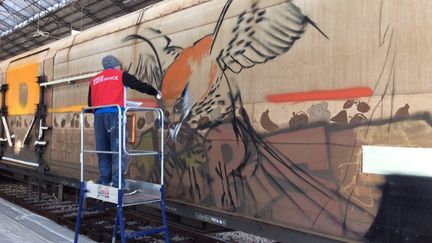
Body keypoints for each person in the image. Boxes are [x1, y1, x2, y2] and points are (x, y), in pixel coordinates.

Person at [88, 55, 161, 188]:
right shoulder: (120, 75)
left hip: (98, 117)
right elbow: (139, 85)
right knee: (118, 150)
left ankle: (105, 180)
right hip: (115, 116)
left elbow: (90, 103)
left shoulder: (94, 80)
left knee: (103, 150)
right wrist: (155, 92)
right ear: (116, 65)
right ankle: (117, 183)